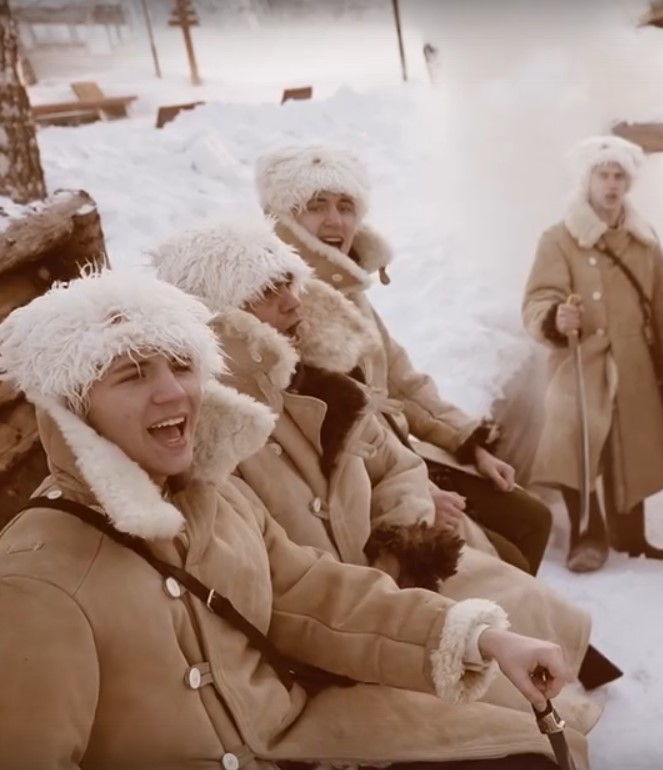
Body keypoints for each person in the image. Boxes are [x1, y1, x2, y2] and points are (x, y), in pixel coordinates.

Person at [0, 269, 580, 769]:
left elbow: (317, 595)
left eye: (181, 365)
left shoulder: (217, 497)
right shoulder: (39, 579)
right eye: (132, 375)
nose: (173, 392)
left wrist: (479, 638)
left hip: (304, 739)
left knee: (530, 753)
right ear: (74, 407)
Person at [147, 216, 607, 734]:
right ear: (221, 315)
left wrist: (401, 540)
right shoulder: (207, 443)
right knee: (509, 709)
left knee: (521, 587)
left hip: (392, 573)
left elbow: (396, 460)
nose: (294, 302)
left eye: (289, 283)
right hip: (338, 626)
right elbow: (285, 584)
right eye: (266, 292)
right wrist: (389, 572)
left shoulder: (317, 384)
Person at [255, 144, 552, 576]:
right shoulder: (284, 307)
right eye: (316, 206)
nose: (336, 221)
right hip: (364, 479)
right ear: (282, 217)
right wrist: (420, 493)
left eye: (346, 207)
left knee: (532, 518)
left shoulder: (348, 291)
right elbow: (336, 438)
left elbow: (403, 382)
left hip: (402, 453)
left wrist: (468, 442)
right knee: (508, 556)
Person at [523, 135, 663, 573]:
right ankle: (587, 536)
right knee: (575, 442)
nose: (611, 185)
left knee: (630, 444)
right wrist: (555, 317)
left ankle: (632, 537)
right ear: (587, 180)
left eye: (619, 176)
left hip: (634, 359)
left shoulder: (643, 240)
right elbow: (538, 298)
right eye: (603, 175)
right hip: (580, 358)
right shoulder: (558, 239)